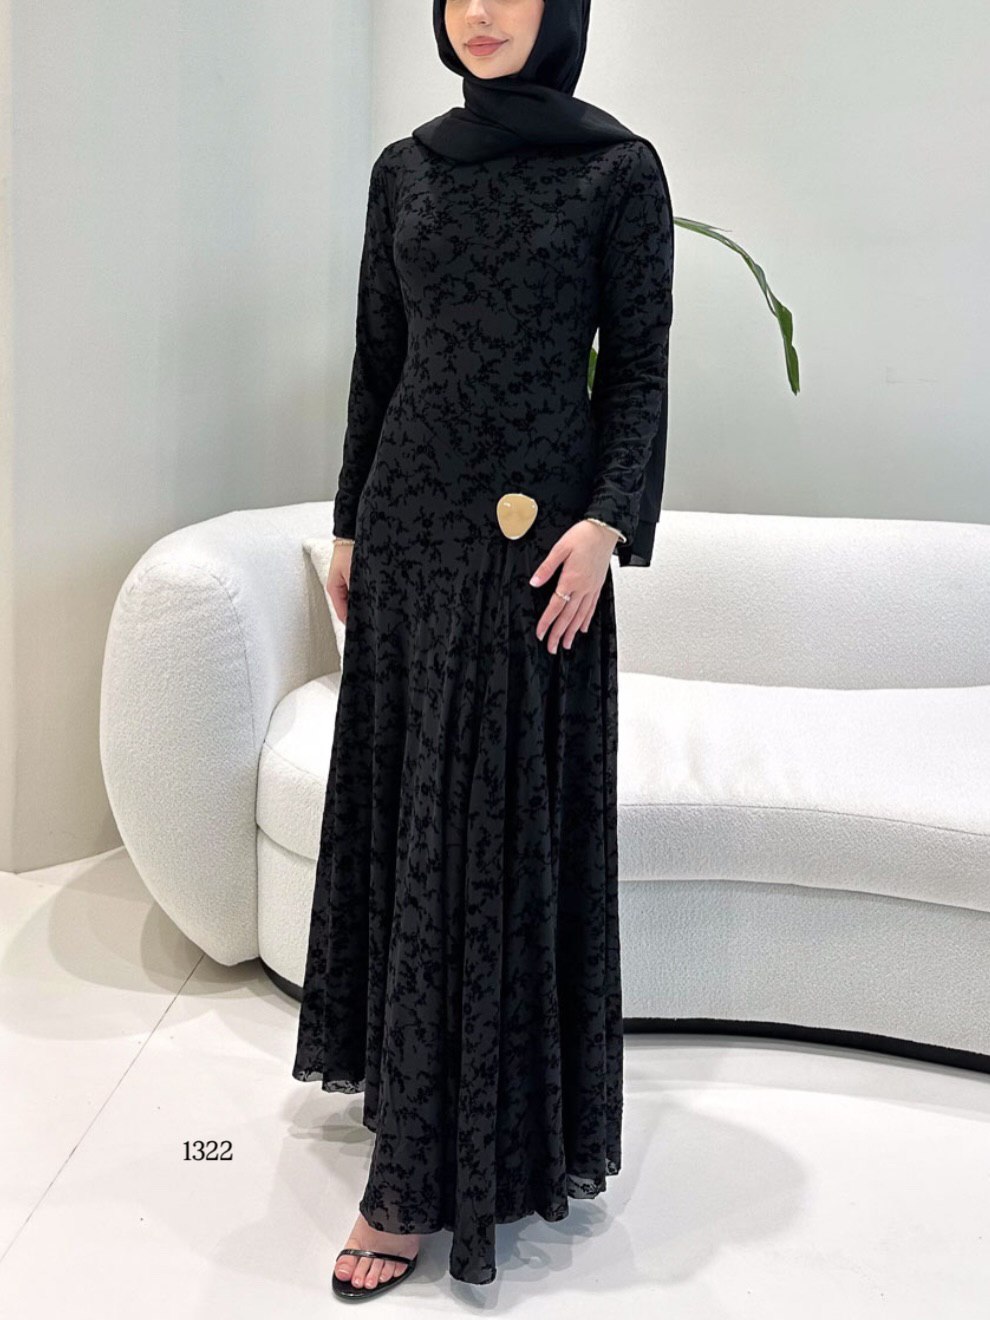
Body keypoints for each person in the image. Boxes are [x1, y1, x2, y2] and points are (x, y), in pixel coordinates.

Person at [292, 0, 674, 1298]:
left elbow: (636, 375)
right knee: (416, 829)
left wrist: (606, 525)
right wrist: (350, 521)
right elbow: (379, 360)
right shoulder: (405, 170)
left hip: (536, 558)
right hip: (409, 535)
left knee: (494, 836)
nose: (482, 11)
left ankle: (445, 1166)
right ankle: (411, 1131)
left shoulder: (617, 172)